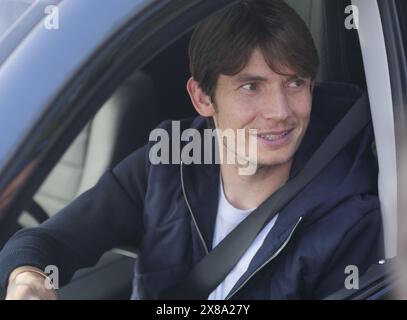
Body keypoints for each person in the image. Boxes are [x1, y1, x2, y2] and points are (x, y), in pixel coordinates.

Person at [0, 0, 383, 300]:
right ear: (202, 98)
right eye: (251, 86)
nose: (280, 112)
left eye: (296, 83)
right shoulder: (170, 160)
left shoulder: (349, 212)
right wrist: (28, 278)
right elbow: (49, 240)